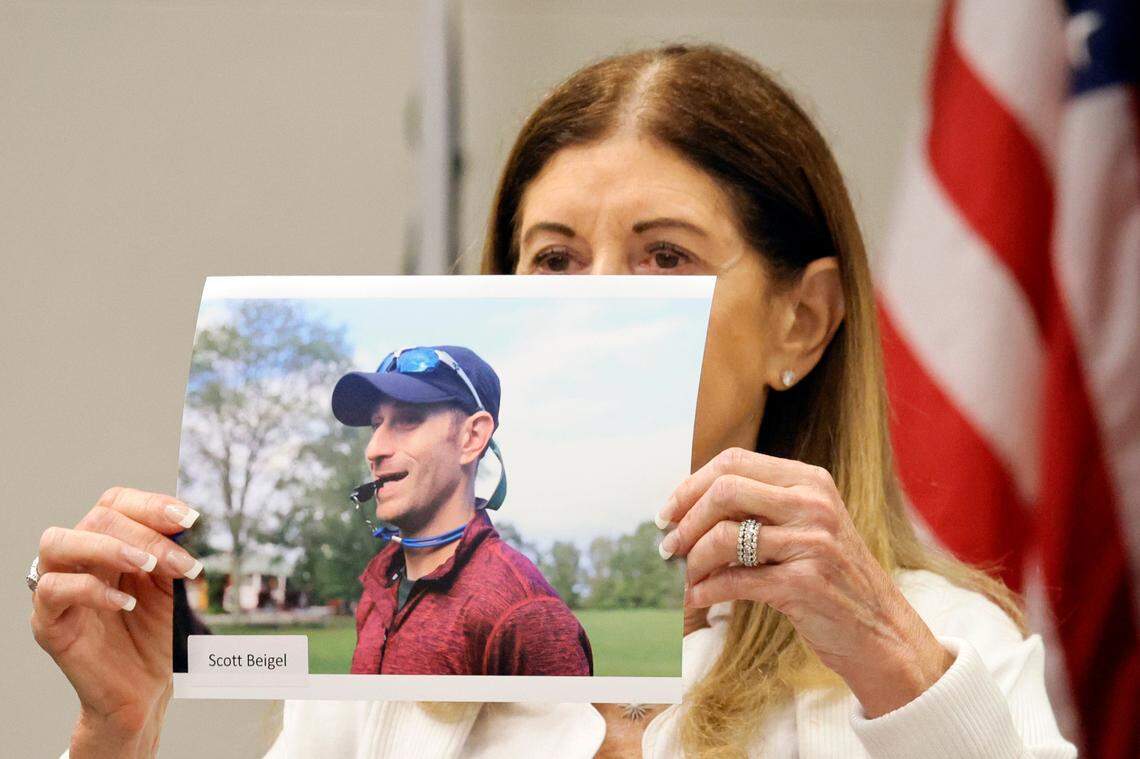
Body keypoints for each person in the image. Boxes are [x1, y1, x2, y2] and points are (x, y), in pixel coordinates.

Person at [30, 43, 1077, 758]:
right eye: (554, 262)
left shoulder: (940, 651)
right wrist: (114, 736)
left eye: (665, 257)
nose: (602, 307)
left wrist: (888, 658)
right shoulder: (379, 657)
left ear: (801, 321)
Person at [329, 344, 593, 676]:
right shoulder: (378, 588)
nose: (374, 449)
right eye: (376, 424)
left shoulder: (524, 614)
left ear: (472, 437)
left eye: (408, 420)